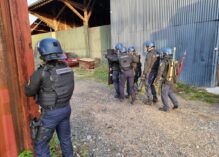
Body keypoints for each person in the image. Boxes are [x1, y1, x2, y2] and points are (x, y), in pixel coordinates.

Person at [25, 38, 74, 157]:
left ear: (43, 53)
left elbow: (29, 92)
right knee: (65, 140)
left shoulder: (41, 72)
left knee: (40, 144)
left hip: (50, 114)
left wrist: (27, 84)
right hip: (66, 109)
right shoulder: (67, 68)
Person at [154, 47, 179, 112]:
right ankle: (176, 103)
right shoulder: (174, 61)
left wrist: (156, 80)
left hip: (166, 80)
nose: (162, 54)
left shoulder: (164, 62)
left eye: (163, 53)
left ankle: (166, 107)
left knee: (164, 93)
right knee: (170, 92)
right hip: (172, 80)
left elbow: (160, 72)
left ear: (166, 54)